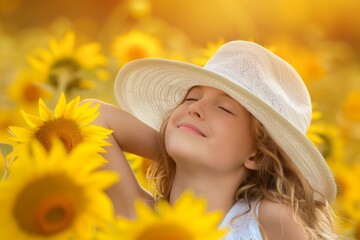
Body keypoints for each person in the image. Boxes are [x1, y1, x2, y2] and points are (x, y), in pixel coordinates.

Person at [86, 41, 338, 239]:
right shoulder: (144, 222)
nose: (195, 109)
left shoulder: (266, 219)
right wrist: (175, 152)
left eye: (224, 109)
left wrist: (188, 146)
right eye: (191, 98)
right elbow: (91, 116)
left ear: (257, 155)